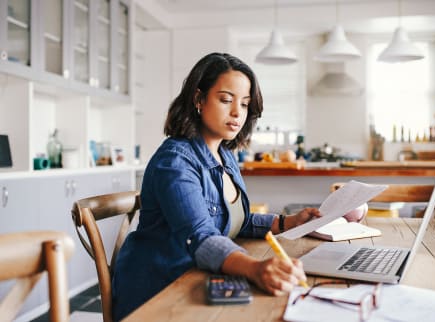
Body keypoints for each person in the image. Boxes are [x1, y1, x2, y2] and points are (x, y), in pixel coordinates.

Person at [112, 52, 366, 320]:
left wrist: (289, 222)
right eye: (226, 100)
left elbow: (234, 220)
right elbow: (201, 236)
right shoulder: (175, 161)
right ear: (198, 99)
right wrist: (255, 268)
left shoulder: (225, 156)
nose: (237, 113)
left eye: (244, 104)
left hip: (197, 278)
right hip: (160, 291)